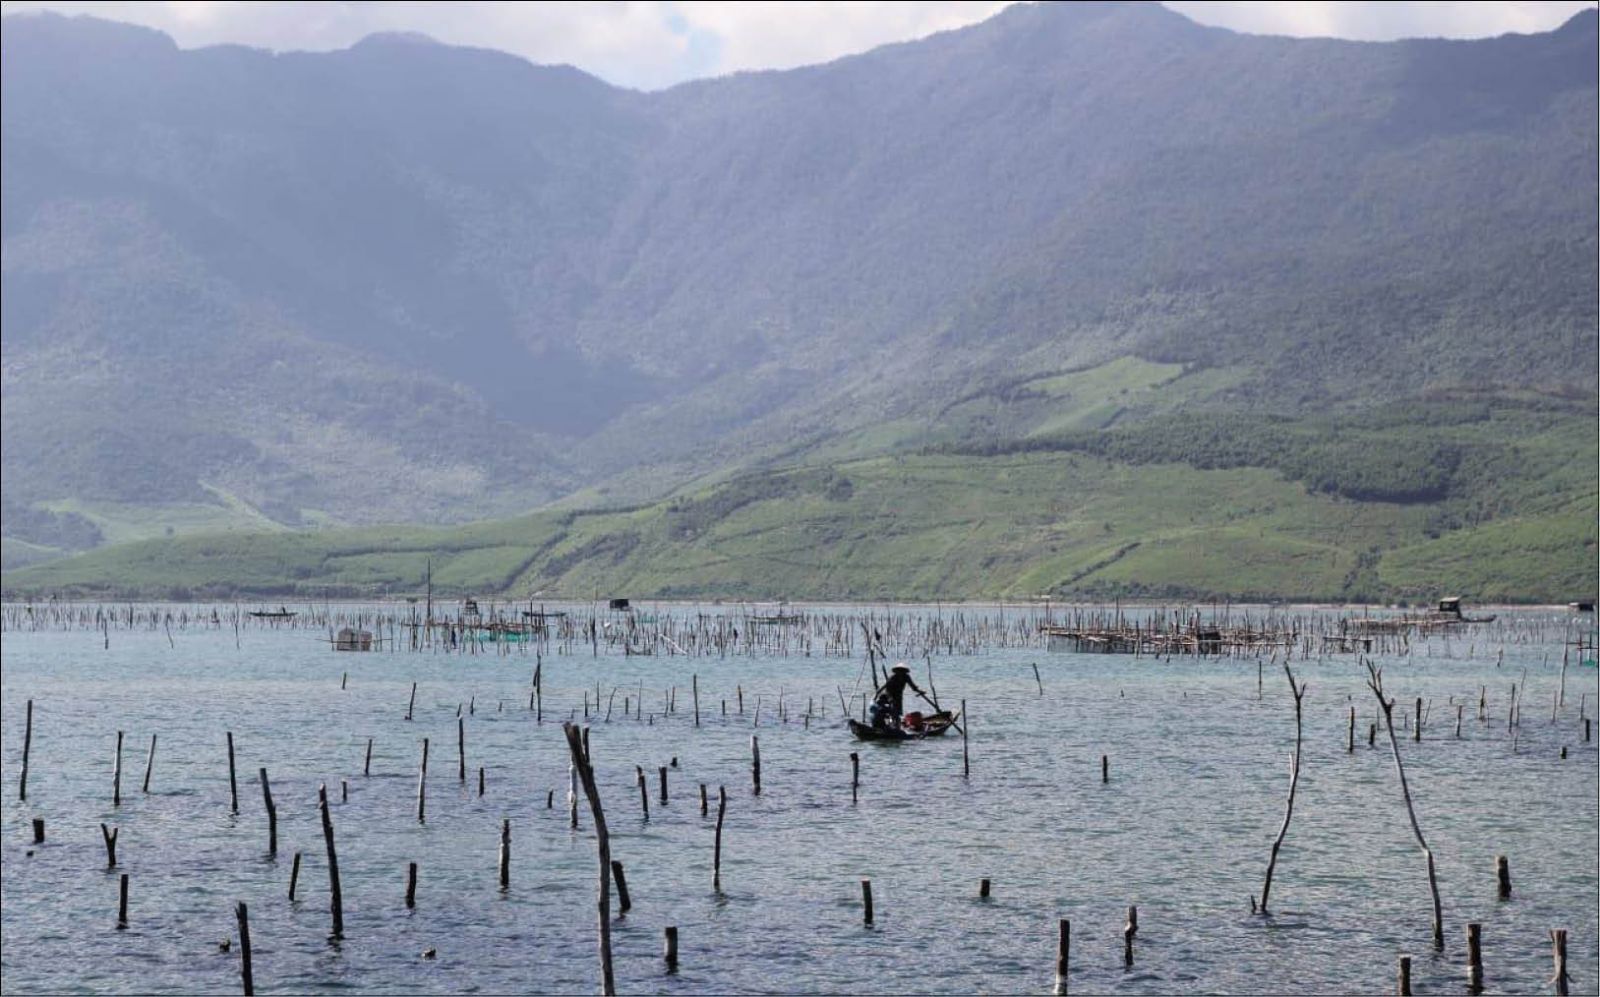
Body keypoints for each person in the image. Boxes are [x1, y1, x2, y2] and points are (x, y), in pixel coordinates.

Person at [873, 664, 927, 728]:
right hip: (889, 695)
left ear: (904, 672)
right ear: (896, 671)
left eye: (902, 671)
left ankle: (896, 727)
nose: (900, 673)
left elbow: (913, 687)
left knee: (897, 713)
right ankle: (889, 725)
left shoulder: (906, 677)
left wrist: (919, 691)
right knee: (890, 711)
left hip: (898, 696)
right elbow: (887, 689)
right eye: (899, 671)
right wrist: (890, 698)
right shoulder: (893, 677)